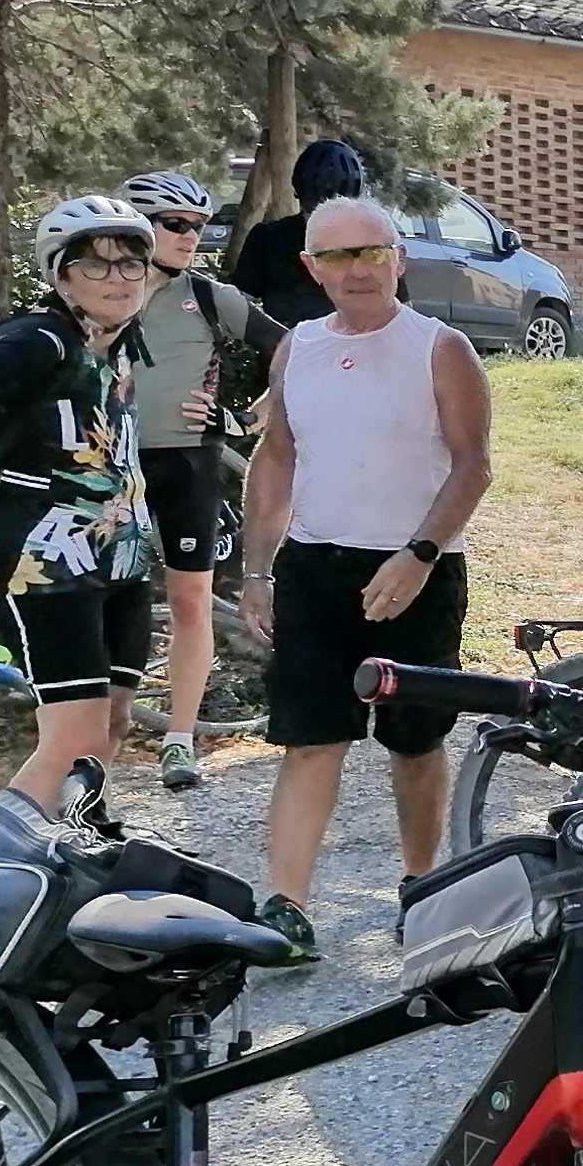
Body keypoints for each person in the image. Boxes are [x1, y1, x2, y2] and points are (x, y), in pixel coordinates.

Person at [240, 197, 494, 963]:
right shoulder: (299, 348)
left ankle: (421, 886)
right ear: (311, 268)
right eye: (339, 256)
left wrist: (419, 554)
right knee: (310, 739)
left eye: (372, 252)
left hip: (415, 572)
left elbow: (473, 466)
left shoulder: (441, 347)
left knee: (415, 743)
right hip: (314, 567)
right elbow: (277, 456)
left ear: (398, 258)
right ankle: (286, 908)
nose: (358, 270)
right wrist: (256, 569)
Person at [0, 199, 162, 814]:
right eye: (95, 264)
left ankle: (78, 838)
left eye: (131, 264)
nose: (118, 278)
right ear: (60, 275)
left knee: (111, 722)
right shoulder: (36, 341)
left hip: (120, 556)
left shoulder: (121, 343)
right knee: (71, 737)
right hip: (41, 557)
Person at [121, 168, 286, 790]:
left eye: (199, 225)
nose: (191, 236)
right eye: (175, 224)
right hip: (107, 466)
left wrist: (248, 418)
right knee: (106, 600)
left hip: (187, 462)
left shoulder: (210, 296)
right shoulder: (102, 292)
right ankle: (97, 732)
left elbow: (295, 348)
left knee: (190, 601)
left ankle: (180, 739)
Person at [225, 138, 372, 332]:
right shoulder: (267, 238)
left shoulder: (374, 241)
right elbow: (241, 306)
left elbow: (240, 307)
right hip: (289, 345)